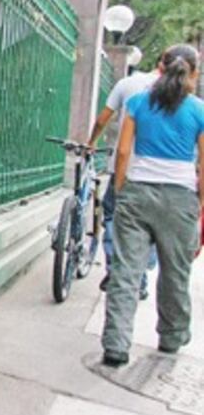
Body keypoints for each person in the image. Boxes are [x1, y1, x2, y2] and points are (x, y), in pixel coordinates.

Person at [101, 45, 204, 367]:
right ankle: (171, 337)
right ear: (194, 74)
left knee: (126, 271)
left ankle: (116, 345)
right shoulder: (199, 110)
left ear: (160, 68)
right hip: (181, 199)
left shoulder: (137, 102)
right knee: (175, 272)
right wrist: (200, 202)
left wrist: (121, 188)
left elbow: (122, 152)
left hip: (137, 193)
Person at [87, 57, 164, 299]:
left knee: (112, 216)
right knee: (148, 224)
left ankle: (114, 269)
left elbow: (103, 120)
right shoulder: (181, 97)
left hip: (125, 169)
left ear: (160, 62)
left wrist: (91, 143)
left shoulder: (128, 85)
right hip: (160, 176)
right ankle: (139, 278)